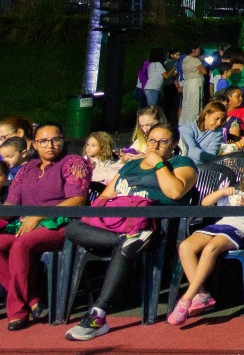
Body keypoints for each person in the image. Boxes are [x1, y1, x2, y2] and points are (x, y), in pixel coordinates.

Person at [63, 123, 197, 340]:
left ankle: (98, 315)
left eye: (163, 142)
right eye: (152, 140)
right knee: (72, 228)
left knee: (127, 245)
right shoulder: (129, 167)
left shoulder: (181, 163)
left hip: (153, 227)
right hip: (119, 227)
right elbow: (105, 197)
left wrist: (159, 165)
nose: (155, 146)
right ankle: (124, 239)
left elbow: (175, 191)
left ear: (173, 144)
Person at [0, 123, 90, 330]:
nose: (50, 145)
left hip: (58, 225)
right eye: (43, 141)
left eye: (55, 140)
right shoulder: (27, 168)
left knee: (21, 245)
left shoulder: (73, 163)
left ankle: (17, 312)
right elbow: (11, 204)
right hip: (23, 226)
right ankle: (31, 299)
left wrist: (38, 215)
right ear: (35, 144)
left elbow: (78, 199)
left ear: (62, 140)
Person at [168, 158, 244, 325]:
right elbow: (206, 204)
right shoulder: (237, 193)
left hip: (243, 230)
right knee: (186, 246)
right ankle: (201, 294)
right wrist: (221, 192)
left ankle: (186, 299)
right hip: (221, 225)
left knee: (211, 249)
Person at [180, 101, 228, 165]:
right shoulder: (185, 129)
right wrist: (218, 159)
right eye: (216, 119)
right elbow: (191, 151)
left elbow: (212, 153)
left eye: (222, 120)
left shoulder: (218, 132)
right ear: (206, 115)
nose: (219, 123)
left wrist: (214, 158)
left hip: (204, 168)